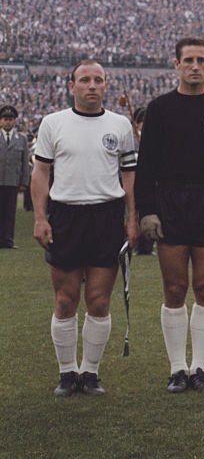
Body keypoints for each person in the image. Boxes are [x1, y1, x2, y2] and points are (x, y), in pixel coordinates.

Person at [135, 38, 204, 393]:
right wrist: (147, 210)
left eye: (201, 60)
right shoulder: (160, 108)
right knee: (174, 287)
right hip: (170, 203)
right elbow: (146, 164)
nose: (195, 66)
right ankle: (177, 368)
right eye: (189, 60)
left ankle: (199, 367)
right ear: (177, 64)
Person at [30, 61, 138, 396]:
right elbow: (41, 174)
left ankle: (90, 373)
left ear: (106, 85)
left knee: (98, 300)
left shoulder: (120, 125)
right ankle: (67, 373)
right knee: (65, 300)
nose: (92, 86)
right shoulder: (53, 123)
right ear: (72, 85)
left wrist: (132, 216)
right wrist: (40, 217)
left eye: (98, 80)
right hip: (66, 216)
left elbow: (129, 176)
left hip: (106, 217)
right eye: (85, 80)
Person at [1, 104, 31, 248]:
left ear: (15, 121)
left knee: (10, 212)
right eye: (5, 119)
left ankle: (8, 240)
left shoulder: (22, 139)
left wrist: (24, 182)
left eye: (10, 119)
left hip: (13, 181)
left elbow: (25, 162)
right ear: (0, 121)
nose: (8, 121)